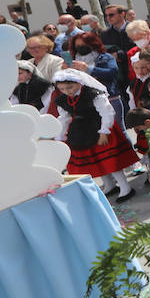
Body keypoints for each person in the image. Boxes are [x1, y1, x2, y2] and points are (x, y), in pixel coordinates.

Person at [53, 67, 142, 201]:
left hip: (99, 127)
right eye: (63, 89)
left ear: (79, 83)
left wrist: (104, 131)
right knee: (95, 161)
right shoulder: (62, 100)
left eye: (70, 87)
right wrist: (61, 136)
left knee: (109, 160)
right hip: (81, 131)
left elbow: (107, 112)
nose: (67, 91)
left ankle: (125, 187)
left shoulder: (94, 94)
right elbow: (64, 117)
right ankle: (109, 184)